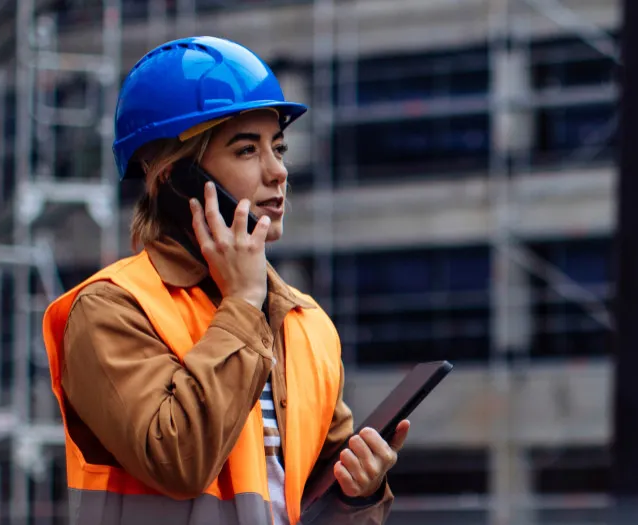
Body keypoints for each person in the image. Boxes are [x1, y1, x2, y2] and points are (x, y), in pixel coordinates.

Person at [42, 36, 404, 524]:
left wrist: (360, 496)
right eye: (246, 150)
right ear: (176, 178)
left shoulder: (305, 324)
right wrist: (242, 302)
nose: (278, 172)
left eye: (278, 148)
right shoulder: (112, 308)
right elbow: (179, 461)